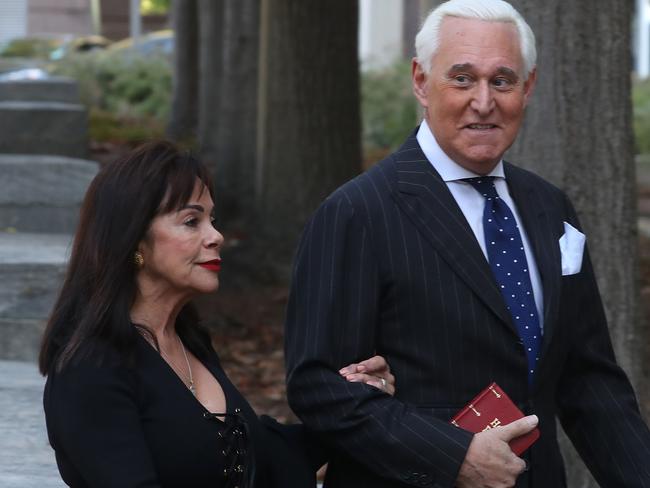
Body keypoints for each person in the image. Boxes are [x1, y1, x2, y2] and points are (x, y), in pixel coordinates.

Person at [284, 0, 650, 487]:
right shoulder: (357, 213)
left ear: (529, 86)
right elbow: (318, 388)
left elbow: (589, 380)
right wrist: (452, 455)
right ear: (420, 81)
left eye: (502, 80)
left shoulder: (548, 207)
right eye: (462, 78)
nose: (483, 101)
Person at [39, 141, 395, 488]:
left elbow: (258, 458)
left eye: (212, 219)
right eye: (191, 221)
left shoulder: (188, 341)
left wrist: (354, 400)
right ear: (133, 239)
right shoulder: (91, 368)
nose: (216, 236)